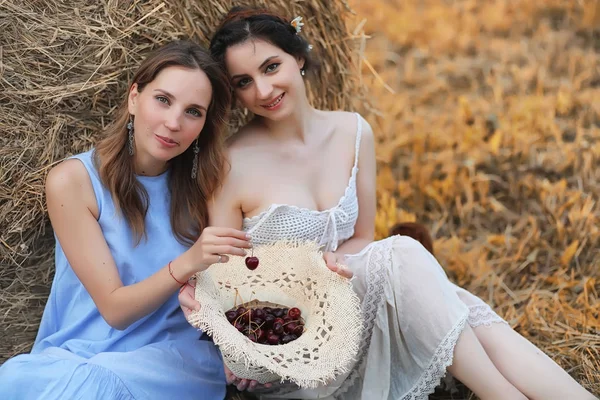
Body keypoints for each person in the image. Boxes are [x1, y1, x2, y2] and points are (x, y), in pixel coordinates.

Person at [178, 7, 598, 400]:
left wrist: (335, 269)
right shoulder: (230, 163)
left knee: (457, 303)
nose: (264, 90)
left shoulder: (353, 132)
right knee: (407, 258)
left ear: (298, 58)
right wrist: (307, 276)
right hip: (294, 343)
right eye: (243, 82)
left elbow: (362, 236)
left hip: (351, 300)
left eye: (271, 67)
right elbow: (227, 276)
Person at [0, 40, 252, 400]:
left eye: (193, 112)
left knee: (97, 388)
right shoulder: (74, 181)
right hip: (81, 351)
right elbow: (115, 310)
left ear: (203, 125)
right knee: (12, 383)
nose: (173, 122)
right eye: (163, 100)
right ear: (135, 97)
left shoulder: (207, 188)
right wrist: (189, 262)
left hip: (172, 360)